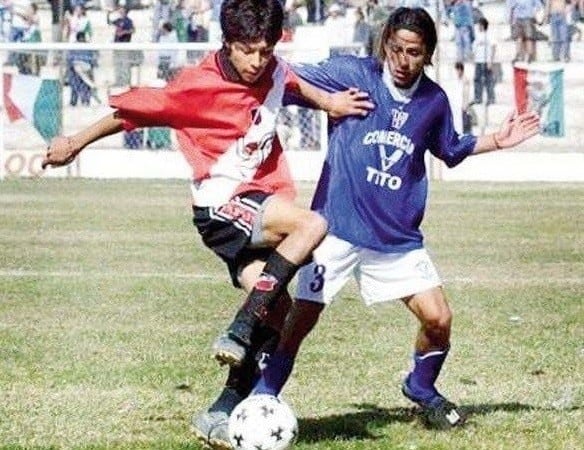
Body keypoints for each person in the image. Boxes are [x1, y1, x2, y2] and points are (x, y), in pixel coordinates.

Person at [41, 1, 373, 448]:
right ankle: (239, 325)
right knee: (312, 225)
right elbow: (131, 113)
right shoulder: (196, 86)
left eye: (266, 49)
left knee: (279, 316)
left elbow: (288, 80)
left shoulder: (271, 68)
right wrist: (74, 143)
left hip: (260, 203)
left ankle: (219, 411)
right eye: (247, 50)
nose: (258, 61)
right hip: (222, 205)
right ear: (227, 43)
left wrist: (329, 102)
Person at [247, 6, 540, 430]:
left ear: (428, 54)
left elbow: (451, 149)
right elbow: (285, 80)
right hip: (337, 227)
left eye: (415, 52)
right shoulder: (352, 73)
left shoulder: (433, 101)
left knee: (438, 319)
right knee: (299, 323)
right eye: (397, 49)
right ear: (385, 44)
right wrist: (324, 100)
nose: (404, 61)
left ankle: (421, 386)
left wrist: (497, 139)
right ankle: (261, 400)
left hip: (396, 237)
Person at [107, 6, 135, 87]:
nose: (120, 11)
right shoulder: (118, 20)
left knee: (125, 64)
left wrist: (124, 32)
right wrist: (108, 14)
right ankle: (118, 81)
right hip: (117, 44)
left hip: (124, 45)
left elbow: (133, 30)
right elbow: (109, 22)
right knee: (117, 63)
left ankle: (126, 82)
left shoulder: (128, 21)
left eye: (122, 10)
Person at [472, 17, 496, 105]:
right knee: (477, 80)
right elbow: (474, 49)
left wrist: (490, 61)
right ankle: (478, 98)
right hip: (478, 61)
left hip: (486, 61)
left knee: (488, 80)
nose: (478, 26)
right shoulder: (477, 36)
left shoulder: (489, 35)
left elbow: (493, 47)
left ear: (482, 25)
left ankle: (491, 98)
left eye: (479, 24)